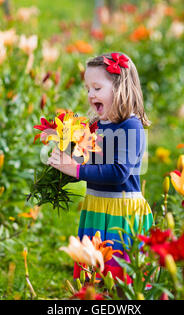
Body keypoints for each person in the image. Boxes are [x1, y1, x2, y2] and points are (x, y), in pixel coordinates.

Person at [47, 52, 153, 284]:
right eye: (87, 89)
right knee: (93, 275)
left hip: (121, 211)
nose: (90, 95)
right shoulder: (94, 125)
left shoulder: (131, 126)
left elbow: (118, 173)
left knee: (118, 276)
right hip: (96, 207)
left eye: (96, 88)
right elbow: (85, 165)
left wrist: (75, 170)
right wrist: (62, 160)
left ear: (120, 87)